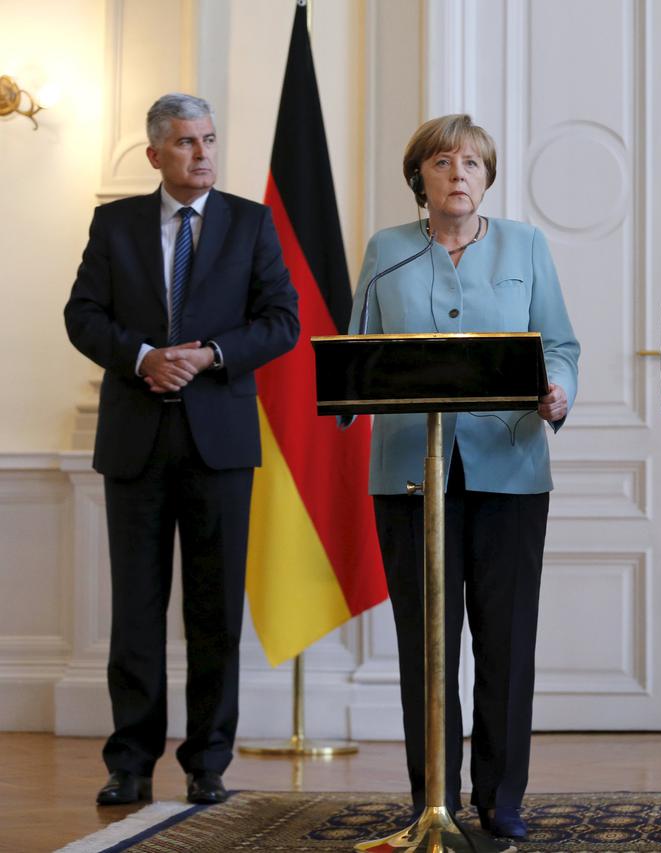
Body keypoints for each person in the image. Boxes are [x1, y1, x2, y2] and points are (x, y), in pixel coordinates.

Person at [64, 93, 300, 806]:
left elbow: (282, 320)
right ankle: (130, 761)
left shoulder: (250, 223)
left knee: (214, 611)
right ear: (155, 154)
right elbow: (82, 314)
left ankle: (208, 763)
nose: (203, 153)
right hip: (135, 439)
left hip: (219, 442)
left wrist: (213, 354)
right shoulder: (115, 225)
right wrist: (141, 357)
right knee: (136, 611)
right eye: (188, 142)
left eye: (210, 140)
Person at [352, 114, 579, 841]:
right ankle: (433, 796)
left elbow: (561, 343)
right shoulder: (386, 251)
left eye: (474, 163)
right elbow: (357, 352)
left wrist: (559, 389)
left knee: (506, 642)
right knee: (428, 643)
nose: (459, 174)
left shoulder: (526, 245)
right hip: (410, 476)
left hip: (510, 469)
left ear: (488, 176)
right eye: (444, 162)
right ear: (419, 175)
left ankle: (502, 797)